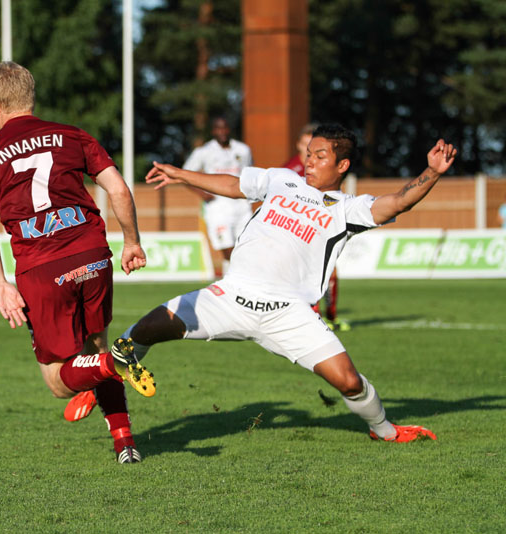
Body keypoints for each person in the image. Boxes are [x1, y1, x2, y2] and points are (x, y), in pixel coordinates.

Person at [111, 124, 456, 443]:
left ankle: (384, 431)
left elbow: (398, 202)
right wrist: (180, 173)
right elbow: (233, 186)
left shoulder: (348, 209)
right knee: (143, 330)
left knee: (349, 382)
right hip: (231, 296)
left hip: (288, 313)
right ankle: (104, 377)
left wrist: (432, 173)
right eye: (309, 154)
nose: (310, 162)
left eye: (320, 157)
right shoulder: (280, 180)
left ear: (342, 165)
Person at [0, 61, 153, 463]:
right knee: (96, 345)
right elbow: (118, 188)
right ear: (30, 98)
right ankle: (124, 443)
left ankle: (110, 364)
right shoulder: (73, 135)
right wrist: (132, 241)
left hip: (42, 268)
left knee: (58, 381)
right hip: (92, 256)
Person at [284, 124, 348, 332]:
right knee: (308, 273)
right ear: (298, 145)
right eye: (305, 145)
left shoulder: (325, 167)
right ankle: (314, 316)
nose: (308, 151)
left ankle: (331, 315)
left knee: (331, 272)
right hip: (299, 230)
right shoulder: (289, 169)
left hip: (322, 226)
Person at [182, 117, 254, 276]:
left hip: (241, 205)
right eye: (218, 128)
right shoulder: (204, 152)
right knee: (227, 247)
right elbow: (185, 175)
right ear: (213, 131)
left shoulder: (243, 150)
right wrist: (202, 193)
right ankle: (236, 281)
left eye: (225, 128)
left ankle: (237, 283)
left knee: (246, 246)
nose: (222, 132)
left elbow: (250, 174)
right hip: (218, 206)